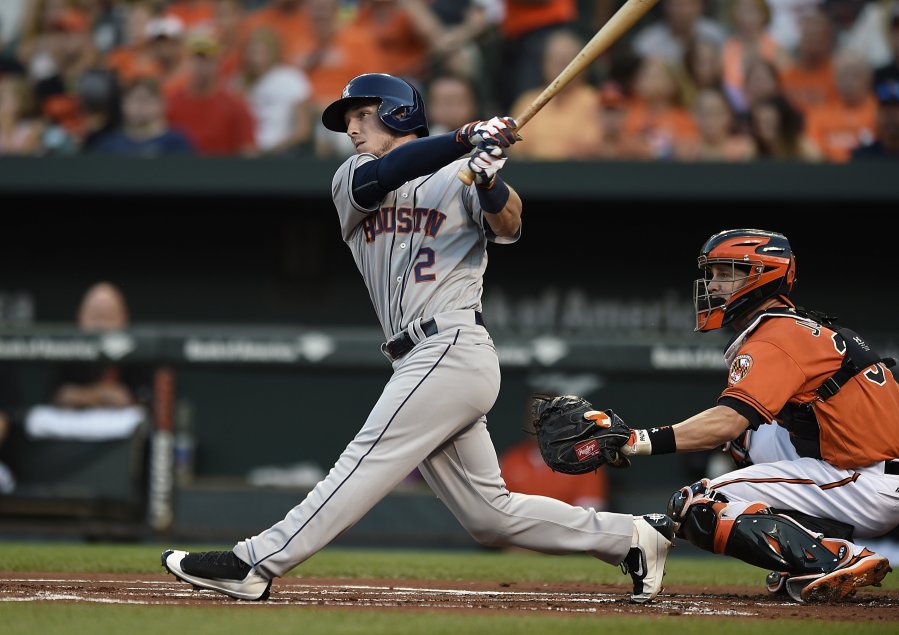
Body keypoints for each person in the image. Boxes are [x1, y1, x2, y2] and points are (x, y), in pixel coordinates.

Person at [161, 71, 674, 605]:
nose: (353, 129)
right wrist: (464, 138)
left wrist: (487, 177)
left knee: (365, 459)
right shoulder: (352, 177)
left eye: (363, 115)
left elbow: (511, 224)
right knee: (489, 517)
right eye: (349, 120)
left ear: (398, 112)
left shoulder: (462, 175)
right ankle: (632, 538)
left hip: (451, 345)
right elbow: (390, 171)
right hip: (418, 358)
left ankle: (255, 562)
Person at [601, 229, 898, 603]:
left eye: (727, 273)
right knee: (743, 440)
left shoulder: (777, 335)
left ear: (765, 274)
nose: (713, 285)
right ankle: (817, 552)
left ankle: (834, 557)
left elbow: (729, 419)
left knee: (698, 504)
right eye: (712, 274)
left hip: (866, 481)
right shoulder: (796, 326)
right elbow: (737, 430)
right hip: (871, 472)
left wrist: (636, 441)